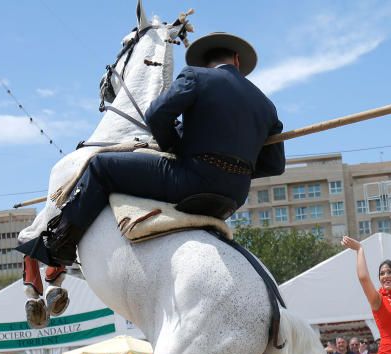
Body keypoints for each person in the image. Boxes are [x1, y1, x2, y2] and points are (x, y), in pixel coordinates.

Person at [19, 32, 287, 312]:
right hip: (233, 197)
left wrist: (175, 147)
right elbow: (274, 165)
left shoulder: (195, 76)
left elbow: (156, 114)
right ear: (236, 60)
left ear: (206, 61)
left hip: (191, 179)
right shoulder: (265, 103)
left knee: (101, 167)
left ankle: (60, 247)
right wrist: (236, 169)